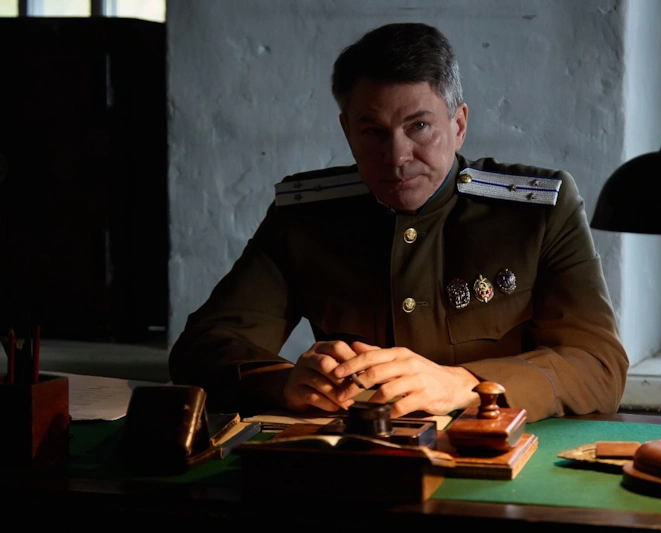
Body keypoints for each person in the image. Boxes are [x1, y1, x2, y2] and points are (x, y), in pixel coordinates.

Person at [168, 22, 629, 422]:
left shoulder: (536, 211)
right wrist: (283, 381)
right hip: (359, 458)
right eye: (373, 132)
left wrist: (466, 384)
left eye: (419, 126)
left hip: (494, 455)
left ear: (459, 125)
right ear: (347, 132)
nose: (396, 157)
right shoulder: (306, 218)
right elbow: (202, 348)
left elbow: (599, 366)